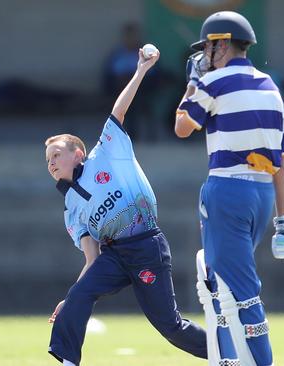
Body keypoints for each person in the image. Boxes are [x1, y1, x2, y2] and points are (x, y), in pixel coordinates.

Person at [45, 47, 206, 366]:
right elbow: (92, 258)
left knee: (170, 327)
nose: (51, 163)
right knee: (78, 294)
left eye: (56, 155)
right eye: (47, 160)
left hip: (147, 245)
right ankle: (67, 361)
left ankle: (228, 353)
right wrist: (73, 299)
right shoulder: (71, 207)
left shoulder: (105, 152)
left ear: (78, 154)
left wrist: (141, 71)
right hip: (114, 255)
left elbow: (118, 111)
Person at [174, 11, 284, 366]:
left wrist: (191, 87)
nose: (205, 56)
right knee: (222, 285)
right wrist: (283, 220)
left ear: (224, 44)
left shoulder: (212, 83)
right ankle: (229, 359)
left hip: (227, 191)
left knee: (241, 293)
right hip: (262, 197)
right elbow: (280, 164)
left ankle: (261, 363)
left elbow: (182, 128)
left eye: (209, 47)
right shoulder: (269, 85)